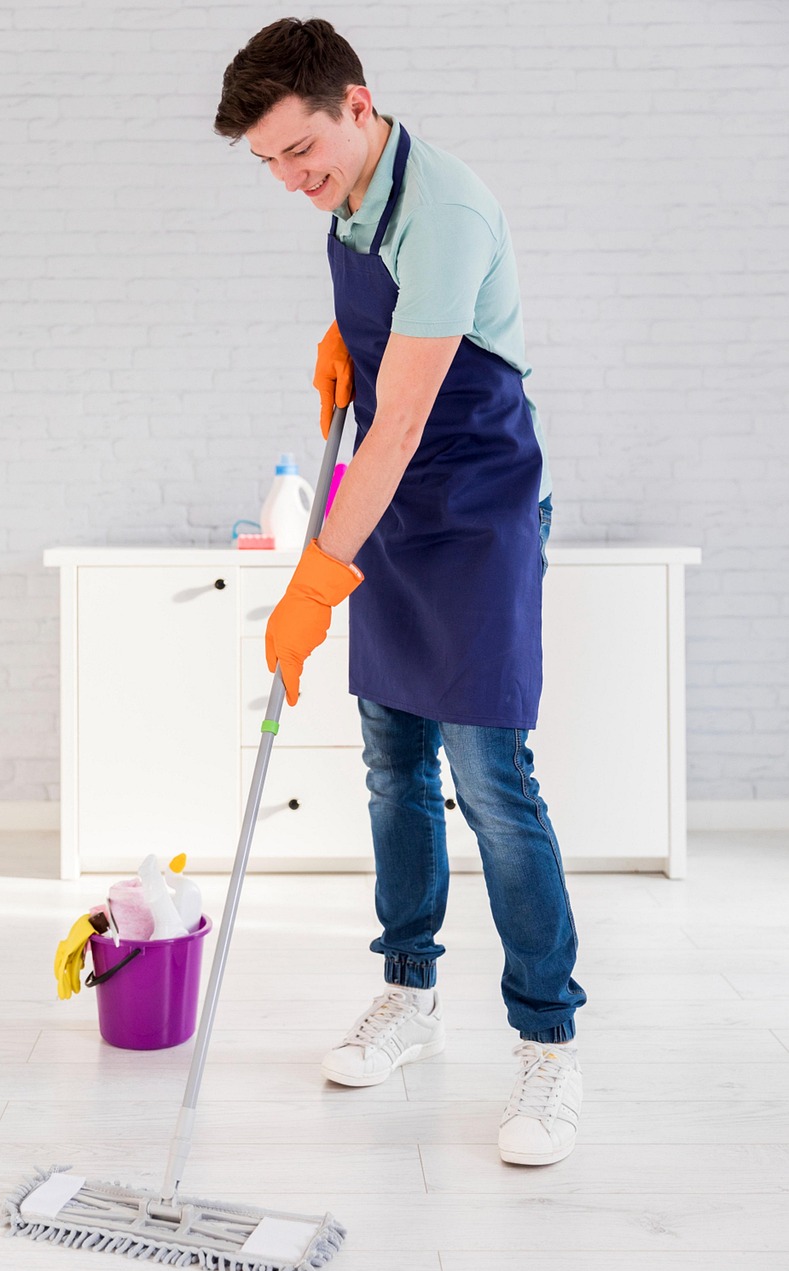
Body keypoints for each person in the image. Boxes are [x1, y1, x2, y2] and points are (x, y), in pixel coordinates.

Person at [215, 17, 587, 1167]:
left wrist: (316, 577)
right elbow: (386, 370)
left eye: (302, 152)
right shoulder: (351, 191)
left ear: (358, 103)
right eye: (271, 161)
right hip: (394, 507)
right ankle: (409, 994)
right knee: (391, 762)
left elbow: (408, 422)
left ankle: (548, 1043)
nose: (292, 179)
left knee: (490, 778)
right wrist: (344, 333)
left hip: (470, 508)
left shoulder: (449, 208)